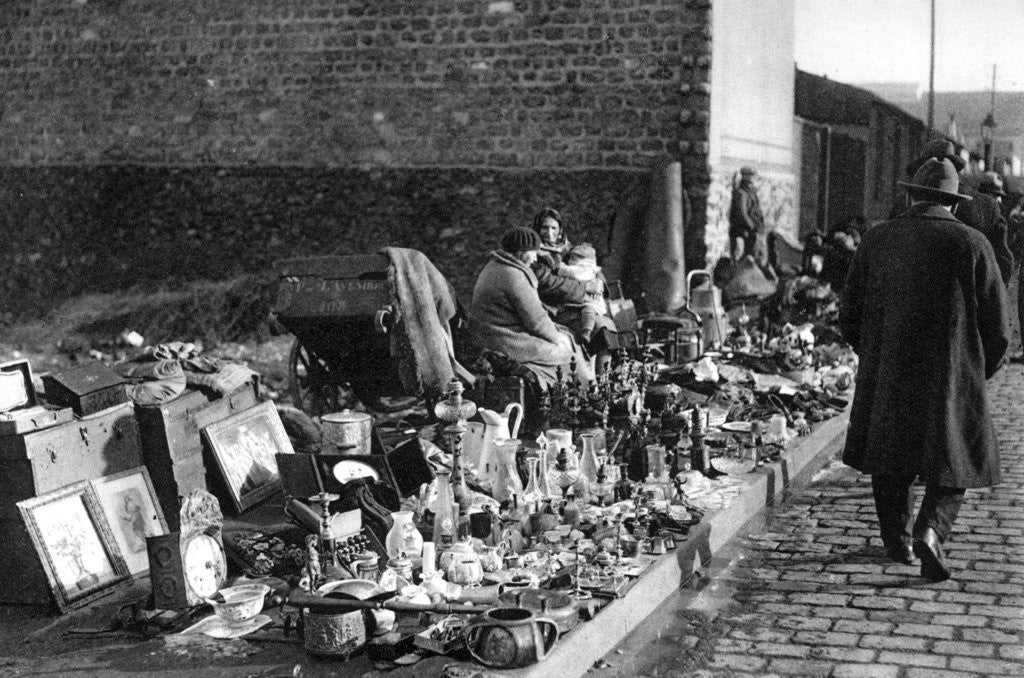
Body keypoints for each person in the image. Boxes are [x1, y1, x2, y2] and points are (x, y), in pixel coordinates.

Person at [840, 157, 1011, 582]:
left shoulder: (877, 239)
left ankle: (896, 540)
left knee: (890, 453)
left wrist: (874, 355)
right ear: (952, 203)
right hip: (951, 372)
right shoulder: (972, 243)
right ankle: (931, 530)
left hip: (890, 368)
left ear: (911, 196)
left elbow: (850, 312)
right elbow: (998, 325)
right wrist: (979, 371)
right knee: (957, 455)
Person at [469, 227, 593, 389]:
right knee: (567, 352)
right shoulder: (514, 275)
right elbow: (537, 322)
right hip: (506, 342)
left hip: (490, 335)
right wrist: (557, 339)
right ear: (522, 252)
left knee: (565, 336)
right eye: (533, 253)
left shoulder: (495, 266)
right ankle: (584, 392)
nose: (535, 259)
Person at [894, 140, 1013, 285]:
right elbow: (1003, 264)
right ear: (956, 168)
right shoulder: (987, 205)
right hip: (967, 295)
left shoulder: (902, 203)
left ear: (920, 169)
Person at [529, 207, 617, 358]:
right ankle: (596, 371)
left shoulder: (566, 248)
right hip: (553, 309)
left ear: (560, 229)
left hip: (576, 306)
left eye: (553, 228)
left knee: (607, 326)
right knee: (600, 327)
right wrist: (585, 287)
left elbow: (588, 266)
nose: (549, 233)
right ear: (537, 229)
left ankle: (605, 371)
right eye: (544, 228)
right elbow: (547, 283)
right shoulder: (534, 254)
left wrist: (599, 282)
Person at [555, 243, 610, 343]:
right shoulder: (592, 270)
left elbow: (571, 272)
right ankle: (587, 331)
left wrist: (561, 267)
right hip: (576, 300)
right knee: (588, 312)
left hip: (588, 301)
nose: (570, 261)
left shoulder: (584, 270)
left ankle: (587, 331)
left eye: (573, 259)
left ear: (584, 261)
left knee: (588, 312)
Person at [728, 166, 768, 268]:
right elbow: (742, 213)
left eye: (753, 175)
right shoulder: (742, 193)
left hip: (753, 228)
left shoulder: (751, 191)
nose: (753, 178)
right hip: (744, 230)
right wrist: (752, 226)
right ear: (745, 177)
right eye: (750, 175)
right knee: (747, 256)